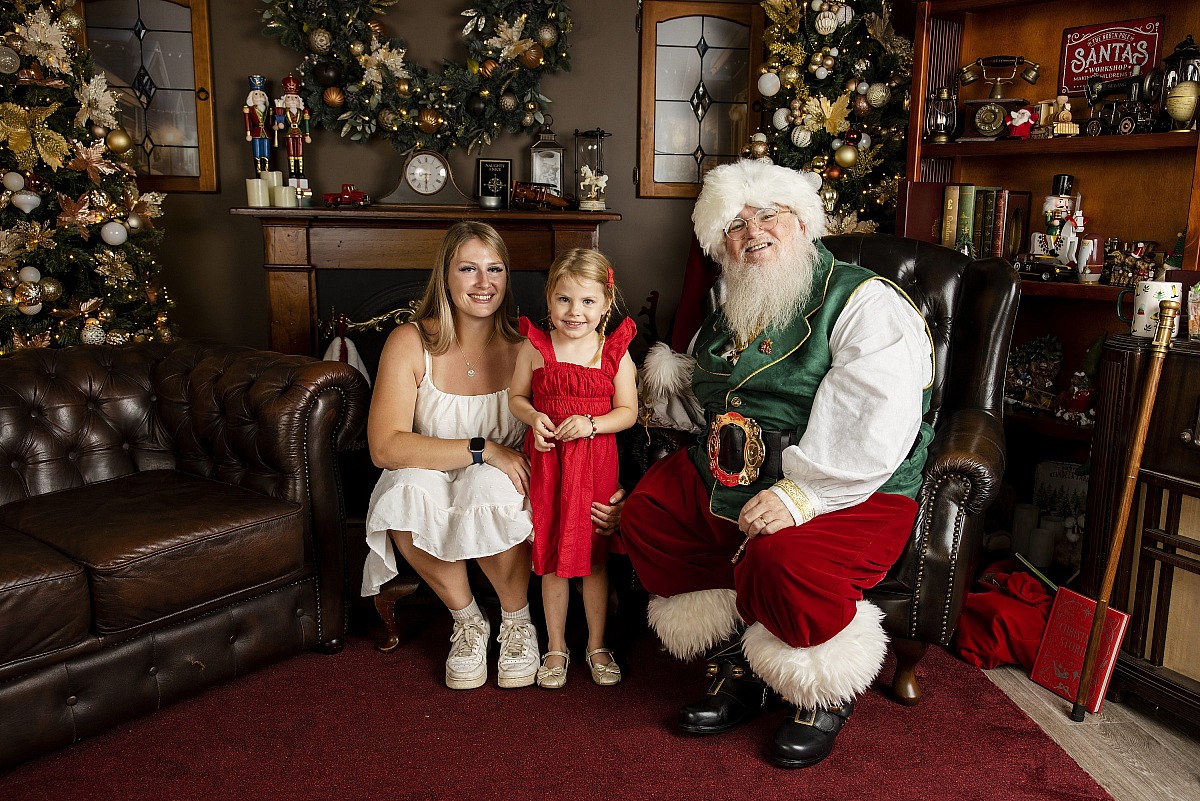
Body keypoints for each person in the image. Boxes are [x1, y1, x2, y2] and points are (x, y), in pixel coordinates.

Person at [620, 159, 935, 768]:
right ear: (719, 242)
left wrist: (802, 495)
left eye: (769, 214)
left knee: (781, 555)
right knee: (651, 514)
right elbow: (711, 397)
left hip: (848, 484)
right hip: (736, 473)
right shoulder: (732, 304)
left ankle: (818, 685)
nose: (753, 232)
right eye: (735, 224)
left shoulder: (865, 301)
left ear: (803, 222)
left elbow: (875, 417)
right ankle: (744, 657)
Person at [362, 221, 625, 691]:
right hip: (432, 470)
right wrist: (483, 450)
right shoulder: (410, 341)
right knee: (404, 490)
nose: (484, 284)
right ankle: (467, 620)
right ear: (445, 275)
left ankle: (516, 619)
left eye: (495, 269)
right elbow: (385, 447)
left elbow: (595, 415)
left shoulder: (530, 346)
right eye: (468, 269)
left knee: (488, 485)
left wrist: (612, 490)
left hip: (511, 478)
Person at [509, 249, 638, 688]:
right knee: (549, 559)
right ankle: (556, 646)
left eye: (586, 301)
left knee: (594, 559)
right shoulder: (535, 348)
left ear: (606, 302)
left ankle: (597, 644)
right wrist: (533, 418)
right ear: (549, 301)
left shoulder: (614, 353)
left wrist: (592, 424)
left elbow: (628, 413)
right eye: (564, 300)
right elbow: (517, 399)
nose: (574, 312)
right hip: (550, 463)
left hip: (596, 465)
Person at [274, 73, 311, 184]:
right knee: (291, 153)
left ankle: (300, 172)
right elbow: (280, 121)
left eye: (294, 97)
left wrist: (307, 134)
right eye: (289, 98)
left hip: (299, 133)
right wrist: (279, 124)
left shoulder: (302, 112)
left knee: (299, 153)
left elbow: (306, 123)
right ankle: (292, 172)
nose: (292, 100)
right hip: (289, 133)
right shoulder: (284, 112)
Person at [243, 75, 272, 175]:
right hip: (255, 132)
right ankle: (258, 171)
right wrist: (248, 133)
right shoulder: (249, 109)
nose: (260, 97)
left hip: (266, 132)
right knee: (257, 152)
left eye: (262, 95)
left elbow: (270, 121)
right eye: (256, 94)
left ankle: (266, 170)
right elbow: (247, 121)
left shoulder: (268, 109)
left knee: (266, 152)